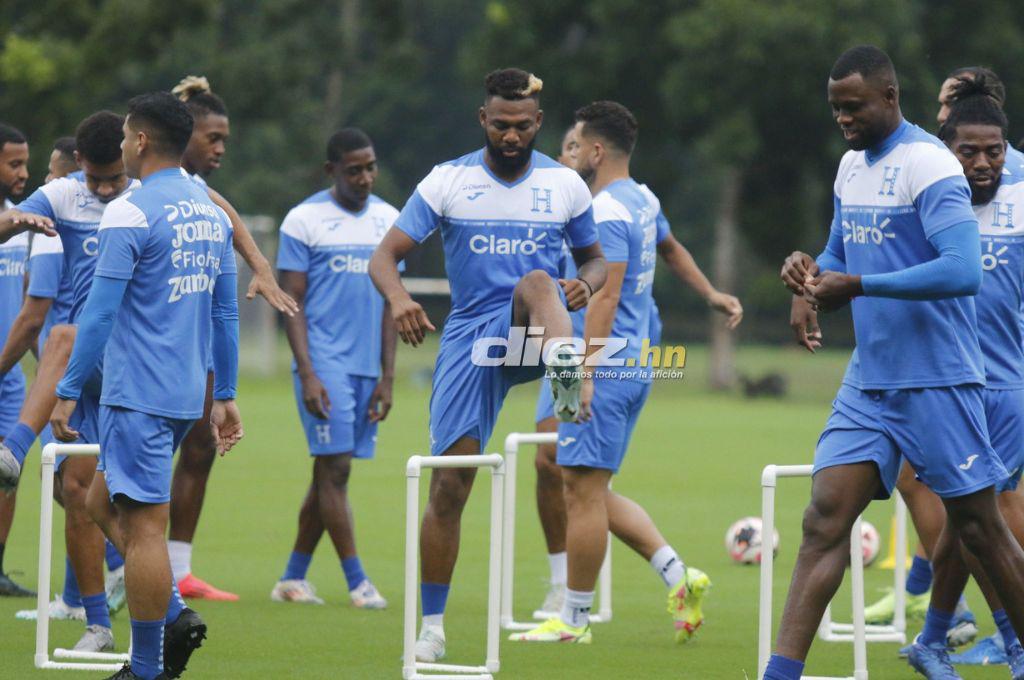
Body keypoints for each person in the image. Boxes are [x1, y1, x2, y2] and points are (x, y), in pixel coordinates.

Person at [768, 45, 1024, 680]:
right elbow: (837, 247)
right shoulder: (851, 165)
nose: (843, 119)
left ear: (889, 97)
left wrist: (856, 286)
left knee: (981, 532)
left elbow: (962, 270)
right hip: (869, 380)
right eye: (835, 109)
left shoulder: (930, 164)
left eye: (853, 107)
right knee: (822, 518)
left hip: (939, 378)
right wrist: (808, 279)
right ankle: (780, 674)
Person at [369, 67, 607, 663]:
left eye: (522, 126)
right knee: (450, 484)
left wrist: (584, 284)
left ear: (539, 125)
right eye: (500, 125)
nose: (511, 136)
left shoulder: (565, 184)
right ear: (483, 119)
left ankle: (565, 380)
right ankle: (432, 628)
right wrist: (399, 299)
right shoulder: (447, 181)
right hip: (471, 339)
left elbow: (597, 262)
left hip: (537, 326)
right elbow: (384, 257)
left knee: (536, 280)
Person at [49, 91, 242, 680]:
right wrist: (226, 394)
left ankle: (149, 668)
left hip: (138, 394)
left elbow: (99, 315)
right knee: (99, 501)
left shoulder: (129, 212)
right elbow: (226, 314)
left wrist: (66, 387)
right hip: (186, 393)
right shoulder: (212, 211)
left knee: (146, 532)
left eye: (127, 136)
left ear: (139, 141)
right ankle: (177, 614)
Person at [511, 101, 712, 644]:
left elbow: (607, 295)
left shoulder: (606, 212)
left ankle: (572, 618)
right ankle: (679, 576)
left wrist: (587, 373)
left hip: (603, 364)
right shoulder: (642, 198)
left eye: (573, 145)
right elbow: (668, 250)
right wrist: (713, 294)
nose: (562, 154)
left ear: (596, 152)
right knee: (577, 478)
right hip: (632, 359)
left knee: (580, 491)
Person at [862, 66, 1024, 652]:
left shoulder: (1000, 181)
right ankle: (939, 619)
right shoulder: (940, 178)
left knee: (989, 510)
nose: (934, 119)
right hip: (943, 369)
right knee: (946, 498)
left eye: (943, 108)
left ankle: (987, 631)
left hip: (996, 377)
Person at [0, 111, 136, 652]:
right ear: (78, 164)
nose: (105, 190)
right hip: (83, 372)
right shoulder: (58, 196)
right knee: (78, 493)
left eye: (114, 178)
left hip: (133, 365)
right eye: (96, 179)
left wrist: (259, 270)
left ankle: (14, 447)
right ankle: (97, 625)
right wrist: (14, 224)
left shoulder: (148, 197)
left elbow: (221, 214)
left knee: (127, 503)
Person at [165, 75, 297, 601]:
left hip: (195, 343)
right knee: (133, 459)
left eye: (225, 140)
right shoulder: (151, 185)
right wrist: (259, 262)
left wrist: (258, 265)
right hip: (156, 346)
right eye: (211, 137)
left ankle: (177, 570)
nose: (220, 148)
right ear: (182, 133)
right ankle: (119, 566)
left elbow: (225, 211)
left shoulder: (198, 191)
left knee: (200, 444)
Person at [270, 128, 396, 608]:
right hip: (324, 363)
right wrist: (307, 372)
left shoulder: (389, 219)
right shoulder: (304, 220)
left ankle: (291, 577)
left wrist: (387, 377)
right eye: (353, 169)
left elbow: (391, 304)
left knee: (328, 473)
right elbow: (291, 303)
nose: (364, 177)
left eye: (370, 167)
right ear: (331, 171)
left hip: (367, 367)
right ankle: (358, 581)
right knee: (337, 469)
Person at [0, 122, 32, 598]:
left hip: (10, 375)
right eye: (14, 164)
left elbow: (32, 302)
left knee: (8, 470)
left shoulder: (25, 220)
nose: (24, 172)